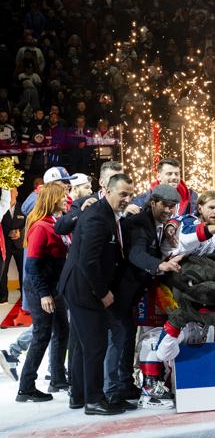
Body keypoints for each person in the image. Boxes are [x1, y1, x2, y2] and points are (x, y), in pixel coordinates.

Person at [57, 173, 134, 416]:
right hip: (83, 289)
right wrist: (102, 292)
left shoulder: (105, 214)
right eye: (123, 194)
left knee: (85, 344)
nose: (127, 199)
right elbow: (87, 261)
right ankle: (94, 400)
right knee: (94, 345)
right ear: (108, 191)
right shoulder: (97, 217)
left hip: (83, 287)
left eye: (130, 194)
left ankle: (79, 395)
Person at [111, 184, 184, 409]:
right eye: (165, 206)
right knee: (120, 339)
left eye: (173, 207)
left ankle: (125, 384)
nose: (169, 211)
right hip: (122, 290)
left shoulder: (159, 222)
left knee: (128, 336)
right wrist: (159, 265)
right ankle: (113, 389)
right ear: (153, 202)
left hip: (137, 290)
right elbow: (136, 254)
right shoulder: (139, 223)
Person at [15, 183, 69, 403]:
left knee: (62, 330)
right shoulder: (40, 226)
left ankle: (57, 379)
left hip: (53, 286)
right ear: (52, 199)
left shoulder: (55, 222)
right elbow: (32, 266)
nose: (66, 199)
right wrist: (44, 294)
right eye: (62, 196)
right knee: (42, 334)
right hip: (42, 287)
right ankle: (26, 388)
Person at [132, 158, 197, 217]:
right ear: (158, 177)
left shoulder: (191, 197)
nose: (174, 177)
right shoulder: (142, 200)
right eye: (169, 174)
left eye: (177, 174)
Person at [1, 188, 25, 304]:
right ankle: (2, 297)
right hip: (5, 244)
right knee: (3, 271)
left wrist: (20, 232)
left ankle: (25, 298)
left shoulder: (23, 207)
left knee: (23, 271)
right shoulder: (1, 207)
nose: (10, 193)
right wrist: (8, 233)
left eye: (12, 191)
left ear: (17, 193)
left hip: (19, 244)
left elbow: (28, 223)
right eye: (8, 191)